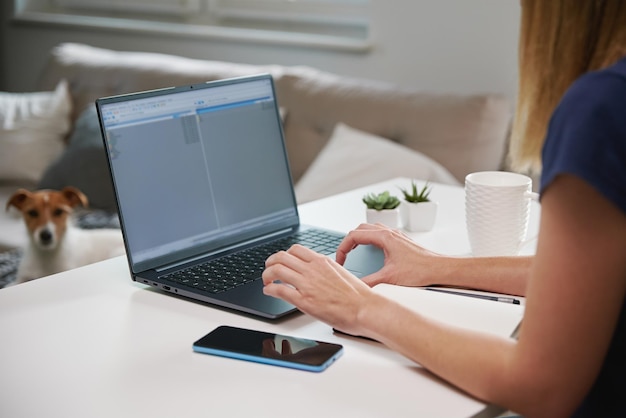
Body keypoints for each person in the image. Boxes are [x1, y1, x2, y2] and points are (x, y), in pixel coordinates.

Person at [262, 1, 626, 417]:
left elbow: (540, 384)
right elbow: (593, 275)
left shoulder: (603, 107)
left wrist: (360, 307)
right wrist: (439, 266)